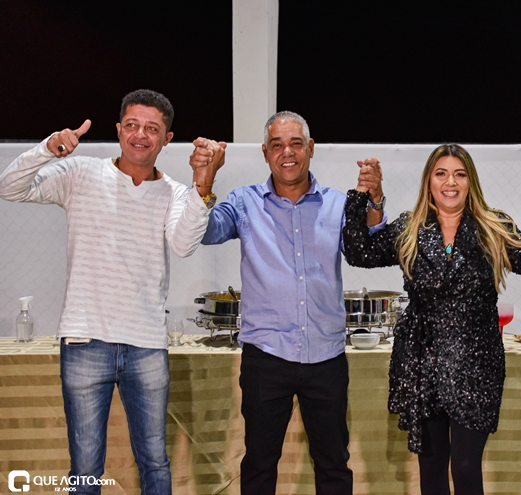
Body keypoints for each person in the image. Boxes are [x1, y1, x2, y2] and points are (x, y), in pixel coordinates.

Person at [0, 89, 225, 495]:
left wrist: (202, 185)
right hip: (85, 339)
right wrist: (48, 149)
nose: (140, 135)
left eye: (152, 129)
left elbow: (183, 244)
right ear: (119, 129)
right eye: (133, 125)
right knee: (86, 467)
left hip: (146, 344)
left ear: (167, 139)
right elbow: (9, 187)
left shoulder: (176, 192)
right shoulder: (81, 173)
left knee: (154, 461)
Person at [342, 144, 521, 495]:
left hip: (476, 365)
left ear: (470, 181)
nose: (450, 182)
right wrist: (366, 196)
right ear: (429, 181)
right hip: (422, 363)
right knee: (431, 469)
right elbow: (359, 252)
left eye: (459, 174)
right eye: (441, 174)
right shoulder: (410, 227)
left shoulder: (492, 225)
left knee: (465, 467)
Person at [199, 111, 385, 495]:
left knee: (334, 464)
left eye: (296, 144)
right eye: (277, 145)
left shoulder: (337, 203)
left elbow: (369, 247)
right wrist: (204, 183)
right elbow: (206, 231)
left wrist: (375, 201)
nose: (287, 153)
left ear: (310, 148)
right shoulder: (245, 202)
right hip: (266, 357)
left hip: (326, 357)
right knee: (259, 465)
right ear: (265, 152)